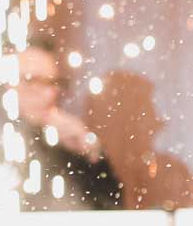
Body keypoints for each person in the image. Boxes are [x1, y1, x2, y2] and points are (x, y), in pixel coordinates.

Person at [7, 39, 123, 210]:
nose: (49, 94)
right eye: (32, 81)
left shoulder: (64, 143)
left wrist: (91, 155)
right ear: (4, 85)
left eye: (53, 83)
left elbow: (109, 210)